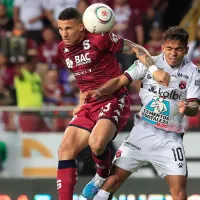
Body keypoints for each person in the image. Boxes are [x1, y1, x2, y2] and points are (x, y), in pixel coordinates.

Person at [56, 7, 170, 200]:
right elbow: (83, 78)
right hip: (90, 103)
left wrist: (154, 70)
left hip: (113, 98)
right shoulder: (63, 49)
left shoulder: (99, 39)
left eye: (68, 28)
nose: (64, 34)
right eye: (60, 28)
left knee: (97, 143)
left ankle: (101, 174)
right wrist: (80, 102)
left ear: (82, 27)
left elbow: (137, 49)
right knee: (65, 149)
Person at [83, 26, 200, 200]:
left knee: (180, 193)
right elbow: (119, 81)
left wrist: (186, 108)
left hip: (170, 140)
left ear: (186, 50)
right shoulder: (148, 63)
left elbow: (194, 107)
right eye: (169, 48)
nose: (173, 53)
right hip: (142, 133)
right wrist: (100, 91)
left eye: (178, 49)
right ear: (162, 47)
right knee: (112, 181)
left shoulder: (193, 72)